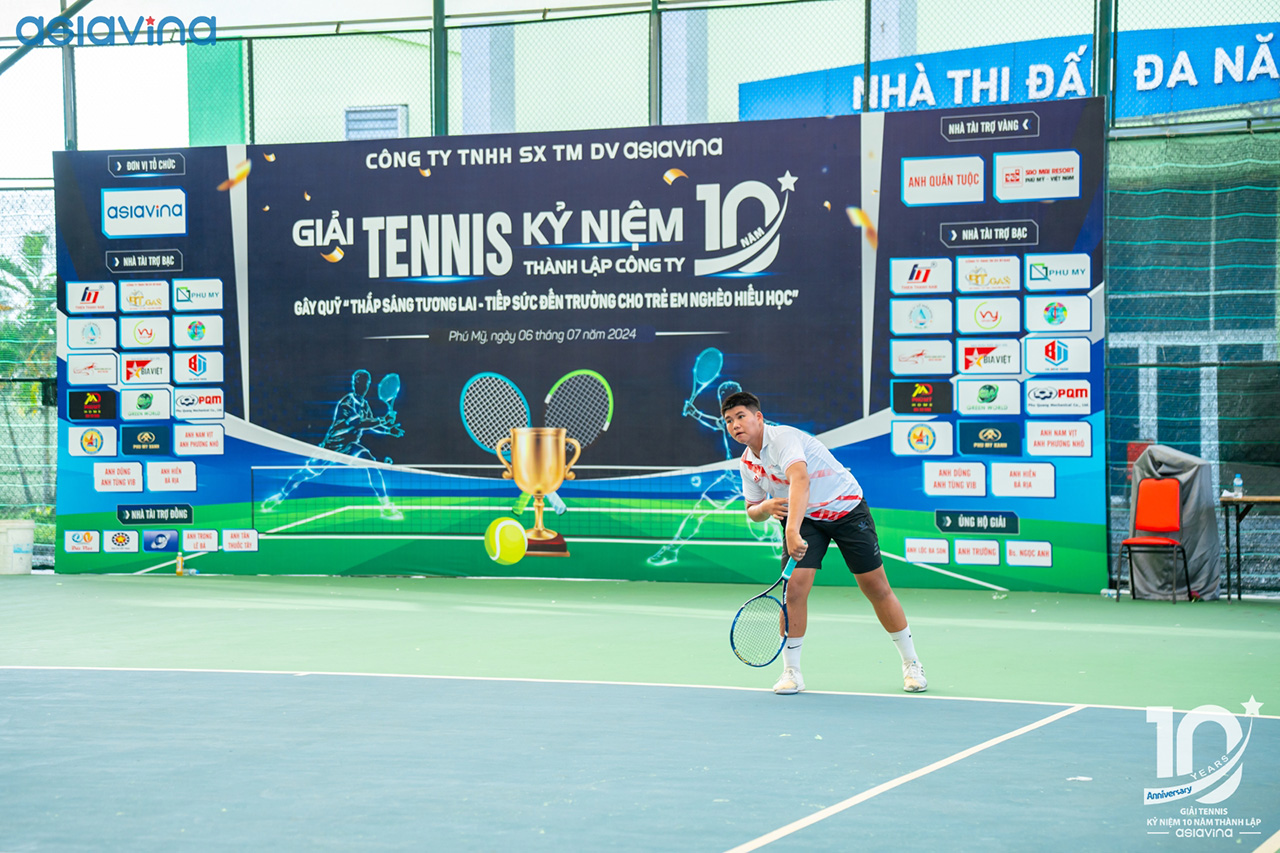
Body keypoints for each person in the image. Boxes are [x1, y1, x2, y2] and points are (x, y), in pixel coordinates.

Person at [720, 390, 927, 695]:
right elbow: (753, 511)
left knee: (876, 587)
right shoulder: (747, 463)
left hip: (845, 509)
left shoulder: (783, 440)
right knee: (794, 590)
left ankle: (911, 663)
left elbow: (800, 480)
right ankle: (791, 671)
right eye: (728, 421)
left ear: (758, 418)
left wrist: (791, 531)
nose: (735, 424)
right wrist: (766, 507)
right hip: (805, 518)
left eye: (741, 416)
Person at [647, 379, 782, 567]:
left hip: (759, 479)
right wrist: (693, 412)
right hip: (730, 480)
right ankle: (671, 550)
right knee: (698, 512)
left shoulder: (768, 428)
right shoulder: (726, 423)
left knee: (763, 524)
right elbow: (711, 421)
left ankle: (777, 539)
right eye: (723, 400)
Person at [261, 369, 405, 519]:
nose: (360, 385)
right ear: (354, 384)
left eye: (364, 383)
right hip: (332, 447)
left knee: (371, 466)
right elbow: (358, 423)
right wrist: (383, 420)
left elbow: (371, 424)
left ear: (368, 385)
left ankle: (386, 506)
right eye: (357, 382)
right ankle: (279, 496)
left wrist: (388, 430)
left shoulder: (365, 405)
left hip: (350, 446)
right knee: (306, 473)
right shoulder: (347, 402)